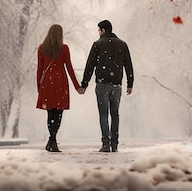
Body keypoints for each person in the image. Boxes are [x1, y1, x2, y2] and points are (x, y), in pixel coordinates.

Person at [78, 20, 134, 153]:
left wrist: (84, 84)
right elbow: (128, 65)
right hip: (117, 85)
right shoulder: (122, 44)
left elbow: (90, 65)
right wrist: (130, 84)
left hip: (102, 84)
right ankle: (114, 143)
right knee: (115, 114)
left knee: (103, 114)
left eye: (99, 30)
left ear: (103, 30)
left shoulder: (98, 44)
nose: (98, 33)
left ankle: (106, 143)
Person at [36, 24, 82, 152]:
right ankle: (53, 140)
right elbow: (69, 68)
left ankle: (52, 140)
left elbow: (39, 70)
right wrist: (77, 86)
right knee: (58, 113)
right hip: (60, 82)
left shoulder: (42, 48)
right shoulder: (64, 48)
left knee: (50, 112)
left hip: (47, 84)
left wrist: (39, 88)